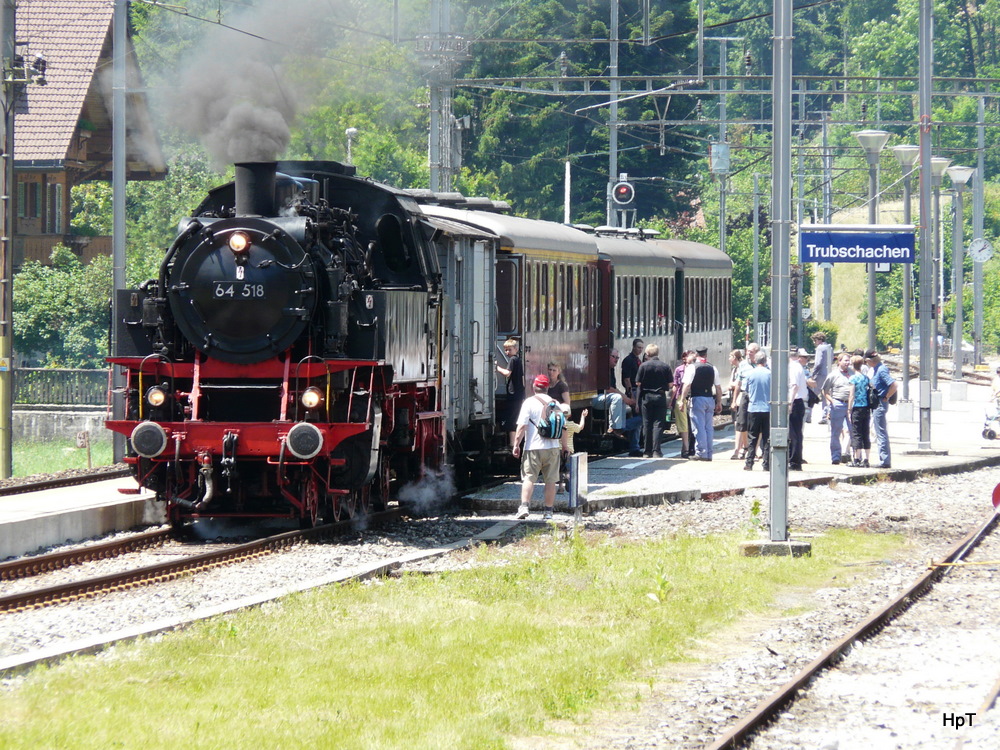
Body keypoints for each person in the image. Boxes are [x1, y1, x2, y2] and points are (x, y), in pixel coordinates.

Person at [513, 375, 569, 520]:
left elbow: (522, 426)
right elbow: (563, 427)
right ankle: (548, 512)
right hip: (552, 448)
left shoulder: (529, 402)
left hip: (532, 447)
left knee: (529, 478)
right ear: (547, 387)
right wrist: (565, 447)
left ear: (534, 387)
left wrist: (516, 444)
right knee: (550, 481)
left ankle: (524, 507)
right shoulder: (555, 403)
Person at [594, 350, 643, 455]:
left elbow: (614, 388)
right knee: (617, 397)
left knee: (620, 399)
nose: (616, 360)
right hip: (594, 397)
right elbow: (608, 389)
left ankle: (621, 428)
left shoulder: (611, 370)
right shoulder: (602, 369)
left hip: (604, 398)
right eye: (614, 357)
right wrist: (626, 398)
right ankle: (615, 428)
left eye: (617, 358)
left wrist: (626, 398)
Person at [680, 346, 723, 461]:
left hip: (697, 399)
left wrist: (681, 400)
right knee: (708, 427)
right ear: (706, 355)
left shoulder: (692, 368)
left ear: (696, 355)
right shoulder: (712, 368)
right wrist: (719, 402)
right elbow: (718, 387)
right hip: (710, 399)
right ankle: (709, 453)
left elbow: (687, 385)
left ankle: (701, 453)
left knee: (699, 427)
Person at [635, 343, 673, 458]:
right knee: (658, 424)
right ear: (657, 353)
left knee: (647, 424)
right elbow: (671, 384)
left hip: (646, 397)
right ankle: (656, 451)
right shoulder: (665, 366)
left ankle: (647, 451)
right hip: (660, 396)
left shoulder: (643, 366)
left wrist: (637, 401)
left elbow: (638, 383)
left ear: (647, 353)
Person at [866, 349, 897, 469]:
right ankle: (884, 459)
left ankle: (884, 460)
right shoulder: (877, 368)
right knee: (879, 431)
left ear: (869, 360)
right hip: (877, 403)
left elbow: (894, 384)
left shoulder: (881, 370)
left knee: (880, 432)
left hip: (880, 403)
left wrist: (887, 396)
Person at [822, 353, 854, 465]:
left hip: (851, 405)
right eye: (845, 360)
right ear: (839, 361)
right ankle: (836, 456)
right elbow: (825, 391)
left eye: (848, 360)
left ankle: (853, 455)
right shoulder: (833, 375)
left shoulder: (852, 373)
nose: (847, 363)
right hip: (838, 404)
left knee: (852, 431)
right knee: (836, 432)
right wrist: (832, 401)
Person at [730, 342, 759, 460]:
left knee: (755, 424)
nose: (748, 354)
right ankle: (745, 447)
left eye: (751, 352)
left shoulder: (762, 363)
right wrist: (734, 400)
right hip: (745, 394)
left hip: (757, 395)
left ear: (757, 353)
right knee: (741, 423)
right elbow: (738, 383)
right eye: (747, 351)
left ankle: (754, 450)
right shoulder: (742, 365)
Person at [744, 350, 771, 471]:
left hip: (753, 408)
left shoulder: (750, 373)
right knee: (767, 437)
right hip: (767, 409)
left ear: (755, 360)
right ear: (765, 361)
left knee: (752, 437)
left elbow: (747, 391)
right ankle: (766, 464)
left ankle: (749, 463)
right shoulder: (771, 374)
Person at [496, 338, 523, 448]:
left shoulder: (512, 360)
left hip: (514, 394)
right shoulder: (518, 360)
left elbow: (507, 373)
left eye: (509, 350)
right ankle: (516, 443)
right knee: (515, 417)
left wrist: (497, 368)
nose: (507, 352)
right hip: (518, 393)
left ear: (516, 349)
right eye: (506, 350)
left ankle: (513, 444)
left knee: (512, 419)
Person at [847, 355, 872, 467]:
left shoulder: (853, 378)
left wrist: (849, 409)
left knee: (857, 433)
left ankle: (856, 459)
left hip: (857, 407)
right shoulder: (866, 378)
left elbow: (852, 395)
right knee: (865, 432)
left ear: (853, 365)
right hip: (866, 408)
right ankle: (866, 459)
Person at [557, 404, 587, 492]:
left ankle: (560, 487)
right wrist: (583, 416)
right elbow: (580, 427)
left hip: (557, 449)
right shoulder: (571, 424)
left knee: (559, 469)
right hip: (569, 450)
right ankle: (569, 483)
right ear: (569, 415)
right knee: (568, 469)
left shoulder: (557, 424)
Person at [788, 348, 808, 471]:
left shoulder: (794, 367)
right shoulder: (797, 367)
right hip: (797, 402)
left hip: (795, 402)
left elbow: (794, 386)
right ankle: (796, 459)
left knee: (793, 433)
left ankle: (794, 461)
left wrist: (790, 403)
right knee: (796, 432)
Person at [671, 351, 694, 458]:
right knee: (683, 424)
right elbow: (675, 386)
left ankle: (691, 447)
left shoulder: (696, 368)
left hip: (693, 396)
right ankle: (685, 447)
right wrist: (671, 400)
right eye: (684, 357)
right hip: (681, 397)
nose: (685, 359)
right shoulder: (678, 370)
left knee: (693, 423)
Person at [810, 332, 834, 424]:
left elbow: (818, 363)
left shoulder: (820, 348)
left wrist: (813, 374)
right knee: (826, 395)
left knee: (813, 394)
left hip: (820, 374)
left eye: (815, 340)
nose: (814, 342)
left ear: (819, 340)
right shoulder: (830, 348)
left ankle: (808, 415)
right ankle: (825, 415)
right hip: (828, 373)